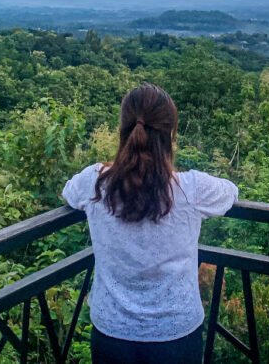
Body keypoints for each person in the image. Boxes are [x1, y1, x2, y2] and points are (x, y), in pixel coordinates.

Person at [62, 83, 238, 363]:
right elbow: (231, 191)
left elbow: (68, 193)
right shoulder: (192, 189)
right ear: (170, 134)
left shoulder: (94, 182)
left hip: (112, 333)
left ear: (123, 130)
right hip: (176, 336)